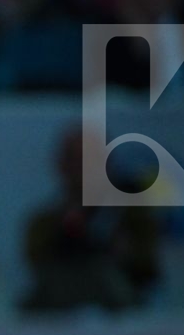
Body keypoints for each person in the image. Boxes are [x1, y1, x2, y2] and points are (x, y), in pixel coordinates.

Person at [21, 125, 160, 312]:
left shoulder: (132, 215)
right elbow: (36, 263)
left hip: (123, 318)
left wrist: (124, 250)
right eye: (77, 160)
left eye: (93, 159)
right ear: (62, 166)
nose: (84, 169)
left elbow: (150, 266)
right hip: (57, 320)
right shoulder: (44, 222)